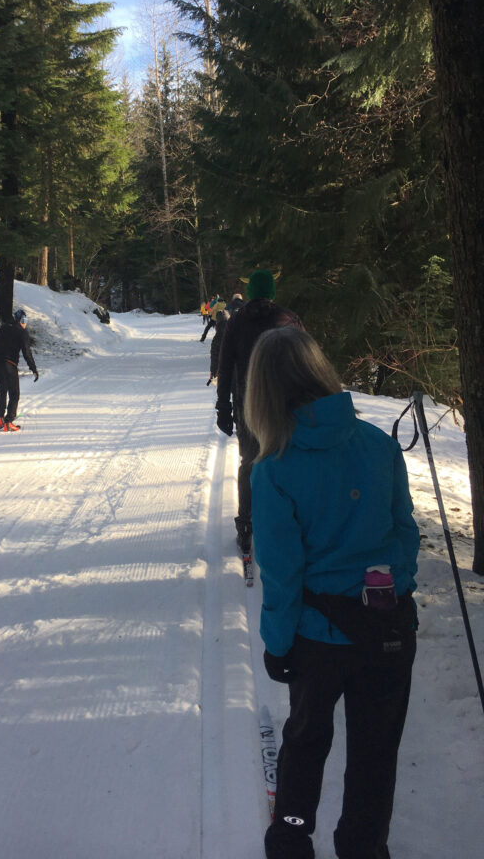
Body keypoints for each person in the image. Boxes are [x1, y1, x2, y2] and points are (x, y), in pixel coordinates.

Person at [244, 327, 419, 859]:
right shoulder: (378, 444)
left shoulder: (274, 467)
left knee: (305, 741)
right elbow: (404, 533)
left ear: (263, 392)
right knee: (376, 751)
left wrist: (277, 646)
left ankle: (293, 837)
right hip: (387, 629)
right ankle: (364, 847)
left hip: (318, 638)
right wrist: (391, 595)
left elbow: (281, 573)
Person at [215, 269, 302, 552]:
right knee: (286, 461)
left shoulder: (237, 322)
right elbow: (305, 363)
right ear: (273, 292)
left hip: (247, 407)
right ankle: (289, 521)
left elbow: (225, 367)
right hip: (285, 407)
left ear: (250, 291)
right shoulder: (290, 319)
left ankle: (246, 524)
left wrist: (223, 408)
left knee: (250, 463)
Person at [0, 307, 39, 431]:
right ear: (21, 320)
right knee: (14, 393)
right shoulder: (22, 332)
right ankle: (9, 421)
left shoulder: (3, 328)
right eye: (24, 320)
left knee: (2, 389)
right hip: (9, 364)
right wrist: (33, 369)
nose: (25, 323)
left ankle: (0, 418)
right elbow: (27, 352)